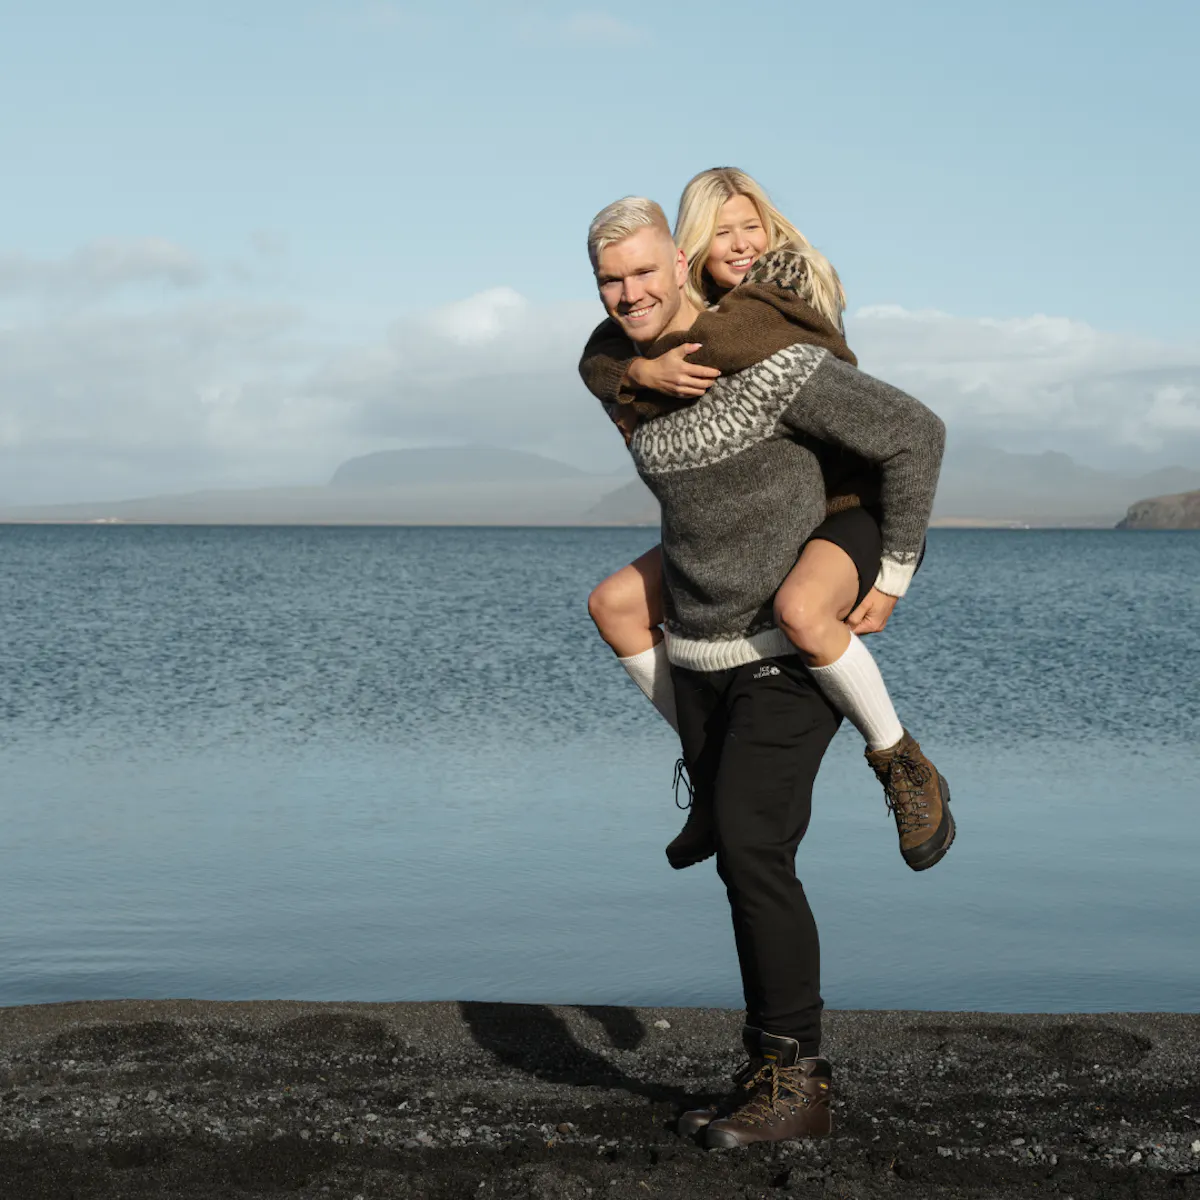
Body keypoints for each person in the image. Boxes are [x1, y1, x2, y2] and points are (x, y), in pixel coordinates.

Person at [584, 196, 949, 1146]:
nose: (629, 293)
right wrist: (633, 367)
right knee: (740, 849)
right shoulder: (623, 374)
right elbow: (596, 356)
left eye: (644, 274)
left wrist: (895, 569)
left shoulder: (769, 361)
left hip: (789, 648)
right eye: (611, 281)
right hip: (703, 648)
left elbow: (917, 434)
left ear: (684, 266)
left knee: (753, 848)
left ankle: (801, 1084)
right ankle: (766, 1066)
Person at [579, 167, 950, 874]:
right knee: (615, 604)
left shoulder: (772, 303)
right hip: (776, 510)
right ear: (691, 248)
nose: (742, 243)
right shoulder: (682, 311)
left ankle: (899, 758)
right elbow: (599, 348)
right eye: (722, 231)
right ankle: (709, 774)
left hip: (852, 504)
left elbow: (706, 343)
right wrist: (632, 371)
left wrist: (641, 371)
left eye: (752, 225)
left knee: (804, 611)